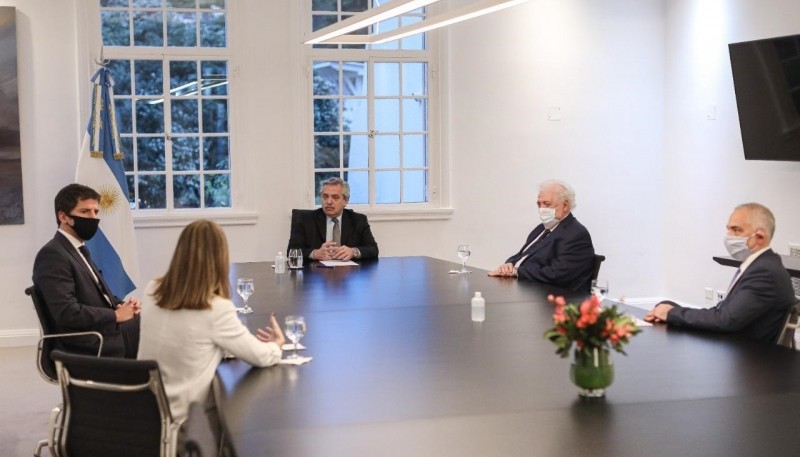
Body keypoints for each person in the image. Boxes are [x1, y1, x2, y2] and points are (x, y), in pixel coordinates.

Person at [137, 219, 285, 432]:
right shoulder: (216, 308)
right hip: (182, 421)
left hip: (142, 409)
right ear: (220, 258)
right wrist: (277, 344)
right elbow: (261, 357)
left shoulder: (153, 289)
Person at [644, 203, 795, 343]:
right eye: (728, 228)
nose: (728, 236)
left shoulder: (765, 272)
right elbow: (721, 313)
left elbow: (726, 320)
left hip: (748, 362)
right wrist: (669, 309)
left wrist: (671, 314)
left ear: (760, 237)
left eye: (736, 230)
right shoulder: (758, 265)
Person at [32, 183, 140, 358]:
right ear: (63, 217)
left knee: (156, 323)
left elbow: (101, 295)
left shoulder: (78, 249)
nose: (92, 218)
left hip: (101, 332)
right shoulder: (53, 255)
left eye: (96, 212)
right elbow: (67, 312)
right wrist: (114, 315)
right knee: (160, 330)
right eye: (84, 212)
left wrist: (123, 305)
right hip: (86, 343)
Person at [488, 179, 595, 292]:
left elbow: (557, 273)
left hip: (555, 299)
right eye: (539, 204)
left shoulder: (576, 234)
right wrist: (509, 264)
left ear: (565, 205)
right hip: (529, 290)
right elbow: (522, 255)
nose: (541, 209)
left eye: (547, 204)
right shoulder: (541, 228)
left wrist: (516, 272)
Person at [288, 177, 379, 261]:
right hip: (316, 274)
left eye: (335, 197)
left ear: (345, 201)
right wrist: (315, 254)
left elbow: (373, 250)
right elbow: (292, 251)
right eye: (325, 196)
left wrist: (353, 252)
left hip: (348, 274)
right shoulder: (305, 219)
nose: (329, 202)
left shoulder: (358, 220)